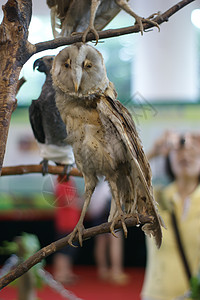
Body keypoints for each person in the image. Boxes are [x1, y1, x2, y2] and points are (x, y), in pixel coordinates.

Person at [141, 131, 200, 300]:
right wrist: (155, 150)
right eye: (179, 151)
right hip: (156, 294)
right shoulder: (156, 198)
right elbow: (124, 178)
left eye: (194, 150)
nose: (186, 155)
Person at [89, 179, 129, 285]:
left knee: (101, 240)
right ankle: (116, 271)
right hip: (109, 202)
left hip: (98, 204)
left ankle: (102, 270)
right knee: (115, 239)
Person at [53, 175, 81, 285]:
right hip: (65, 222)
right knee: (63, 248)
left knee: (70, 249)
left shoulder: (70, 181)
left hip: (72, 222)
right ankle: (60, 274)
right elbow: (64, 199)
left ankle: (66, 272)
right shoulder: (61, 181)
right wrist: (78, 201)